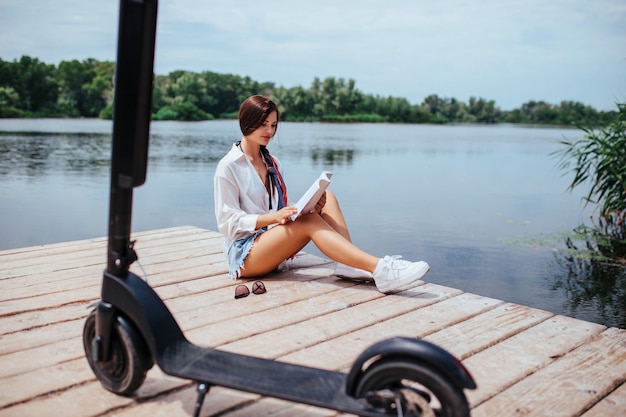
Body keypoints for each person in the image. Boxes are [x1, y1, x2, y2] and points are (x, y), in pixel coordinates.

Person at [214, 95, 430, 293]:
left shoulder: (272, 162)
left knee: (328, 199)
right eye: (263, 124)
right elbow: (227, 223)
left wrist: (309, 207)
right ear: (246, 122)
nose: (269, 131)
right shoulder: (229, 166)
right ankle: (381, 270)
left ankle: (349, 265)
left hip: (270, 245)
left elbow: (276, 209)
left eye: (273, 125)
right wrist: (274, 218)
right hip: (245, 256)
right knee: (308, 222)